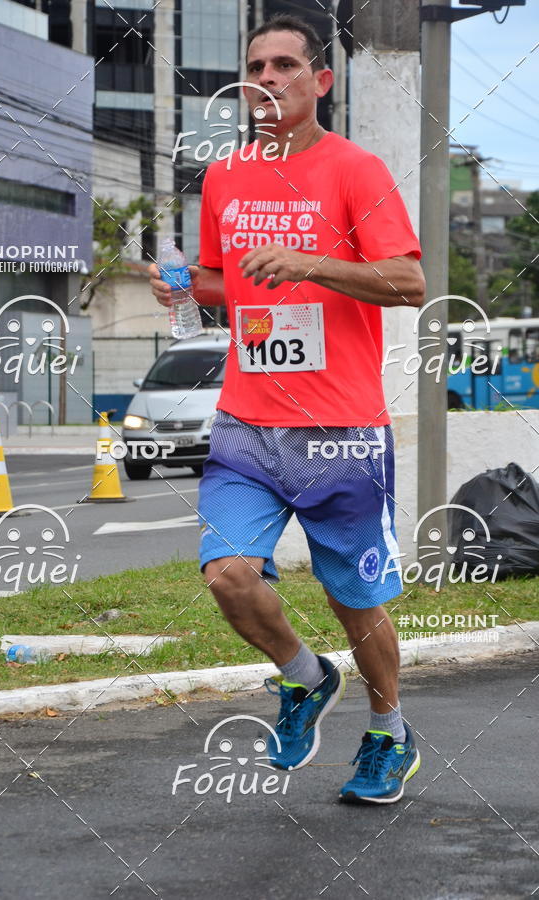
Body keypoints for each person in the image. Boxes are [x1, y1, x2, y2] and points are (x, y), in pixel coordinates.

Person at [149, 13, 426, 805]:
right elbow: (224, 290)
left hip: (341, 428)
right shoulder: (227, 177)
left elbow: (407, 282)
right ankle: (304, 680)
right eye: (255, 67)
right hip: (249, 421)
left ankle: (388, 731)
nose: (266, 80)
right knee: (229, 576)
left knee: (355, 600)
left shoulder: (356, 171)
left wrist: (310, 261)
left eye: (283, 66)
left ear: (319, 81)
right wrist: (182, 289)